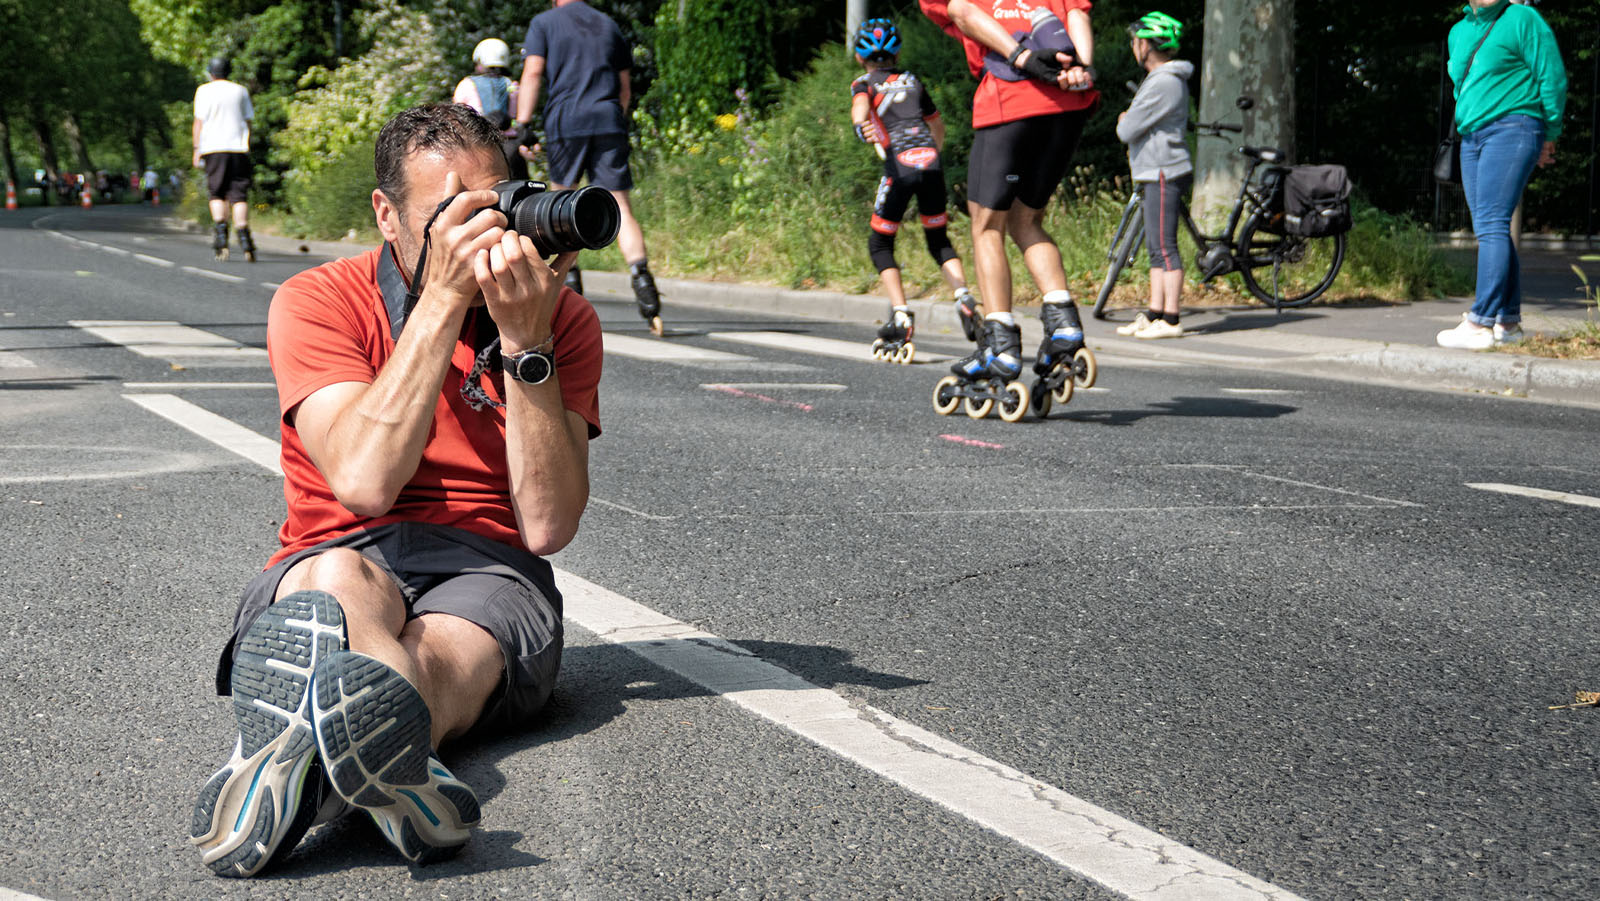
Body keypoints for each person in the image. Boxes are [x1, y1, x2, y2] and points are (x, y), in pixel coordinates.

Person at [187, 103, 603, 878]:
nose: (480, 241)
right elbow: (365, 481)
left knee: (449, 645)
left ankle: (303, 761)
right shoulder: (319, 300)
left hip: (486, 567)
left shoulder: (558, 319)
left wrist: (526, 346)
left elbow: (546, 525)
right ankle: (398, 762)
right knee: (336, 584)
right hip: (339, 547)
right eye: (451, 216)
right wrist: (442, 302)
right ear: (386, 215)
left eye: (495, 208)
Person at [923, 0, 1098, 386]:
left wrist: (1021, 58)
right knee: (1027, 219)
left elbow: (962, 13)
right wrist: (1081, 68)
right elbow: (1078, 15)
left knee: (987, 227)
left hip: (1010, 101)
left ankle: (999, 344)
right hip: (1069, 106)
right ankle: (1063, 324)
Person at [515, 0, 663, 334]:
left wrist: (523, 122)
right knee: (620, 205)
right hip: (609, 119)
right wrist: (613, 117)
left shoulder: (545, 23)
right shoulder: (608, 25)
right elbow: (625, 88)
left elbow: (534, 71)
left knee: (559, 205)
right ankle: (647, 293)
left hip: (568, 121)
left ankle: (569, 294)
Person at [1435, 0, 1565, 350]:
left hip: (1514, 126)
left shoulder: (1522, 18)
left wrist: (1549, 133)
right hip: (1471, 135)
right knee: (1487, 226)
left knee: (1492, 222)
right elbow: (1462, 87)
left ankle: (1479, 322)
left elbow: (1550, 76)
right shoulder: (1459, 31)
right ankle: (1508, 322)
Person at [849, 18, 978, 357]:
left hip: (899, 168)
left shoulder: (863, 82)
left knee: (880, 242)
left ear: (860, 57)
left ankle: (902, 315)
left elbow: (860, 111)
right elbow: (936, 124)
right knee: (938, 239)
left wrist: (862, 128)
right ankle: (964, 297)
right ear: (897, 52)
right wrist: (932, 156)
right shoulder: (912, 80)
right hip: (931, 165)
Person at [1114, 11, 1191, 340]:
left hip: (1163, 169)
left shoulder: (1163, 81)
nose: (1134, 46)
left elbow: (1127, 128)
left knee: (1165, 246)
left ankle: (1171, 319)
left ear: (1146, 45)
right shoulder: (1162, 79)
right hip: (1154, 170)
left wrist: (1124, 118)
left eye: (1136, 40)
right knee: (1156, 248)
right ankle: (1155, 313)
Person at [193, 57, 256, 261]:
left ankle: (221, 240)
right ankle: (245, 240)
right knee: (239, 194)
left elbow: (198, 122)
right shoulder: (240, 90)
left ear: (211, 72)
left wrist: (197, 149)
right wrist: (247, 143)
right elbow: (248, 121)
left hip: (213, 148)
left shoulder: (204, 90)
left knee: (217, 192)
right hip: (238, 147)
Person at [453, 37, 531, 180]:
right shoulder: (512, 85)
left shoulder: (466, 85)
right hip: (510, 146)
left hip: (478, 145)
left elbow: (458, 117)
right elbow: (515, 116)